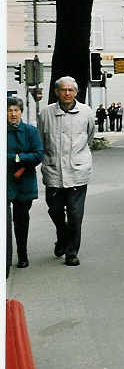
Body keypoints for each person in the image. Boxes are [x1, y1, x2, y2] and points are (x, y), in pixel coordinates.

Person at [38, 76, 95, 267]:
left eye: (71, 90)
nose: (67, 93)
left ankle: (71, 252)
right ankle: (62, 236)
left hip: (78, 171)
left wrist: (79, 157)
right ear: (56, 92)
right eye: (63, 90)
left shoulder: (86, 112)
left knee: (75, 215)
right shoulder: (46, 113)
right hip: (53, 171)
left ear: (76, 92)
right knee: (55, 210)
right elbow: (41, 140)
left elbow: (89, 137)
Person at [7, 97, 44, 269]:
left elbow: (38, 154)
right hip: (6, 181)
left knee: (21, 220)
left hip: (24, 181)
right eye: (9, 110)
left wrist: (16, 158)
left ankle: (22, 254)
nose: (13, 114)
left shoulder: (31, 131)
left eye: (16, 110)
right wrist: (22, 158)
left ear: (21, 112)